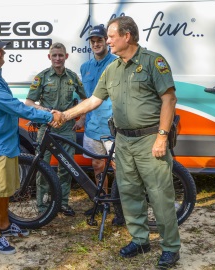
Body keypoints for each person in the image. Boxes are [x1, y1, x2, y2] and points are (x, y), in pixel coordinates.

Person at [59, 16, 180, 269]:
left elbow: (168, 99)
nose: (108, 40)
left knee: (159, 195)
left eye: (112, 36)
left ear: (127, 36)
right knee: (129, 192)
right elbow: (93, 100)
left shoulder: (152, 62)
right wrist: (65, 115)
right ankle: (140, 239)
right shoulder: (111, 69)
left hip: (150, 140)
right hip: (123, 140)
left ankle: (170, 247)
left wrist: (161, 137)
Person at [0, 33, 61, 255]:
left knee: (5, 190)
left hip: (6, 142)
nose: (4, 53)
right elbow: (13, 106)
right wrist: (48, 115)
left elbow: (12, 106)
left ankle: (5, 225)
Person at [25, 42, 87, 217]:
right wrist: (47, 112)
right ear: (49, 57)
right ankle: (43, 206)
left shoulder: (73, 77)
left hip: (67, 129)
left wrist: (81, 119)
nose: (58, 58)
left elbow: (85, 99)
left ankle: (62, 203)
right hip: (47, 129)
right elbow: (29, 103)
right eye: (54, 55)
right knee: (42, 168)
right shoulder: (42, 77)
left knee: (66, 168)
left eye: (61, 55)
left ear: (66, 57)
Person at [80, 24, 121, 219]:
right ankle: (103, 203)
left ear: (106, 41)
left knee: (118, 167)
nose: (96, 44)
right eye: (93, 41)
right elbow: (84, 97)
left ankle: (121, 208)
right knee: (98, 165)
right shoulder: (85, 67)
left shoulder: (116, 63)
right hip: (92, 126)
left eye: (100, 40)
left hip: (113, 126)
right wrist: (80, 119)